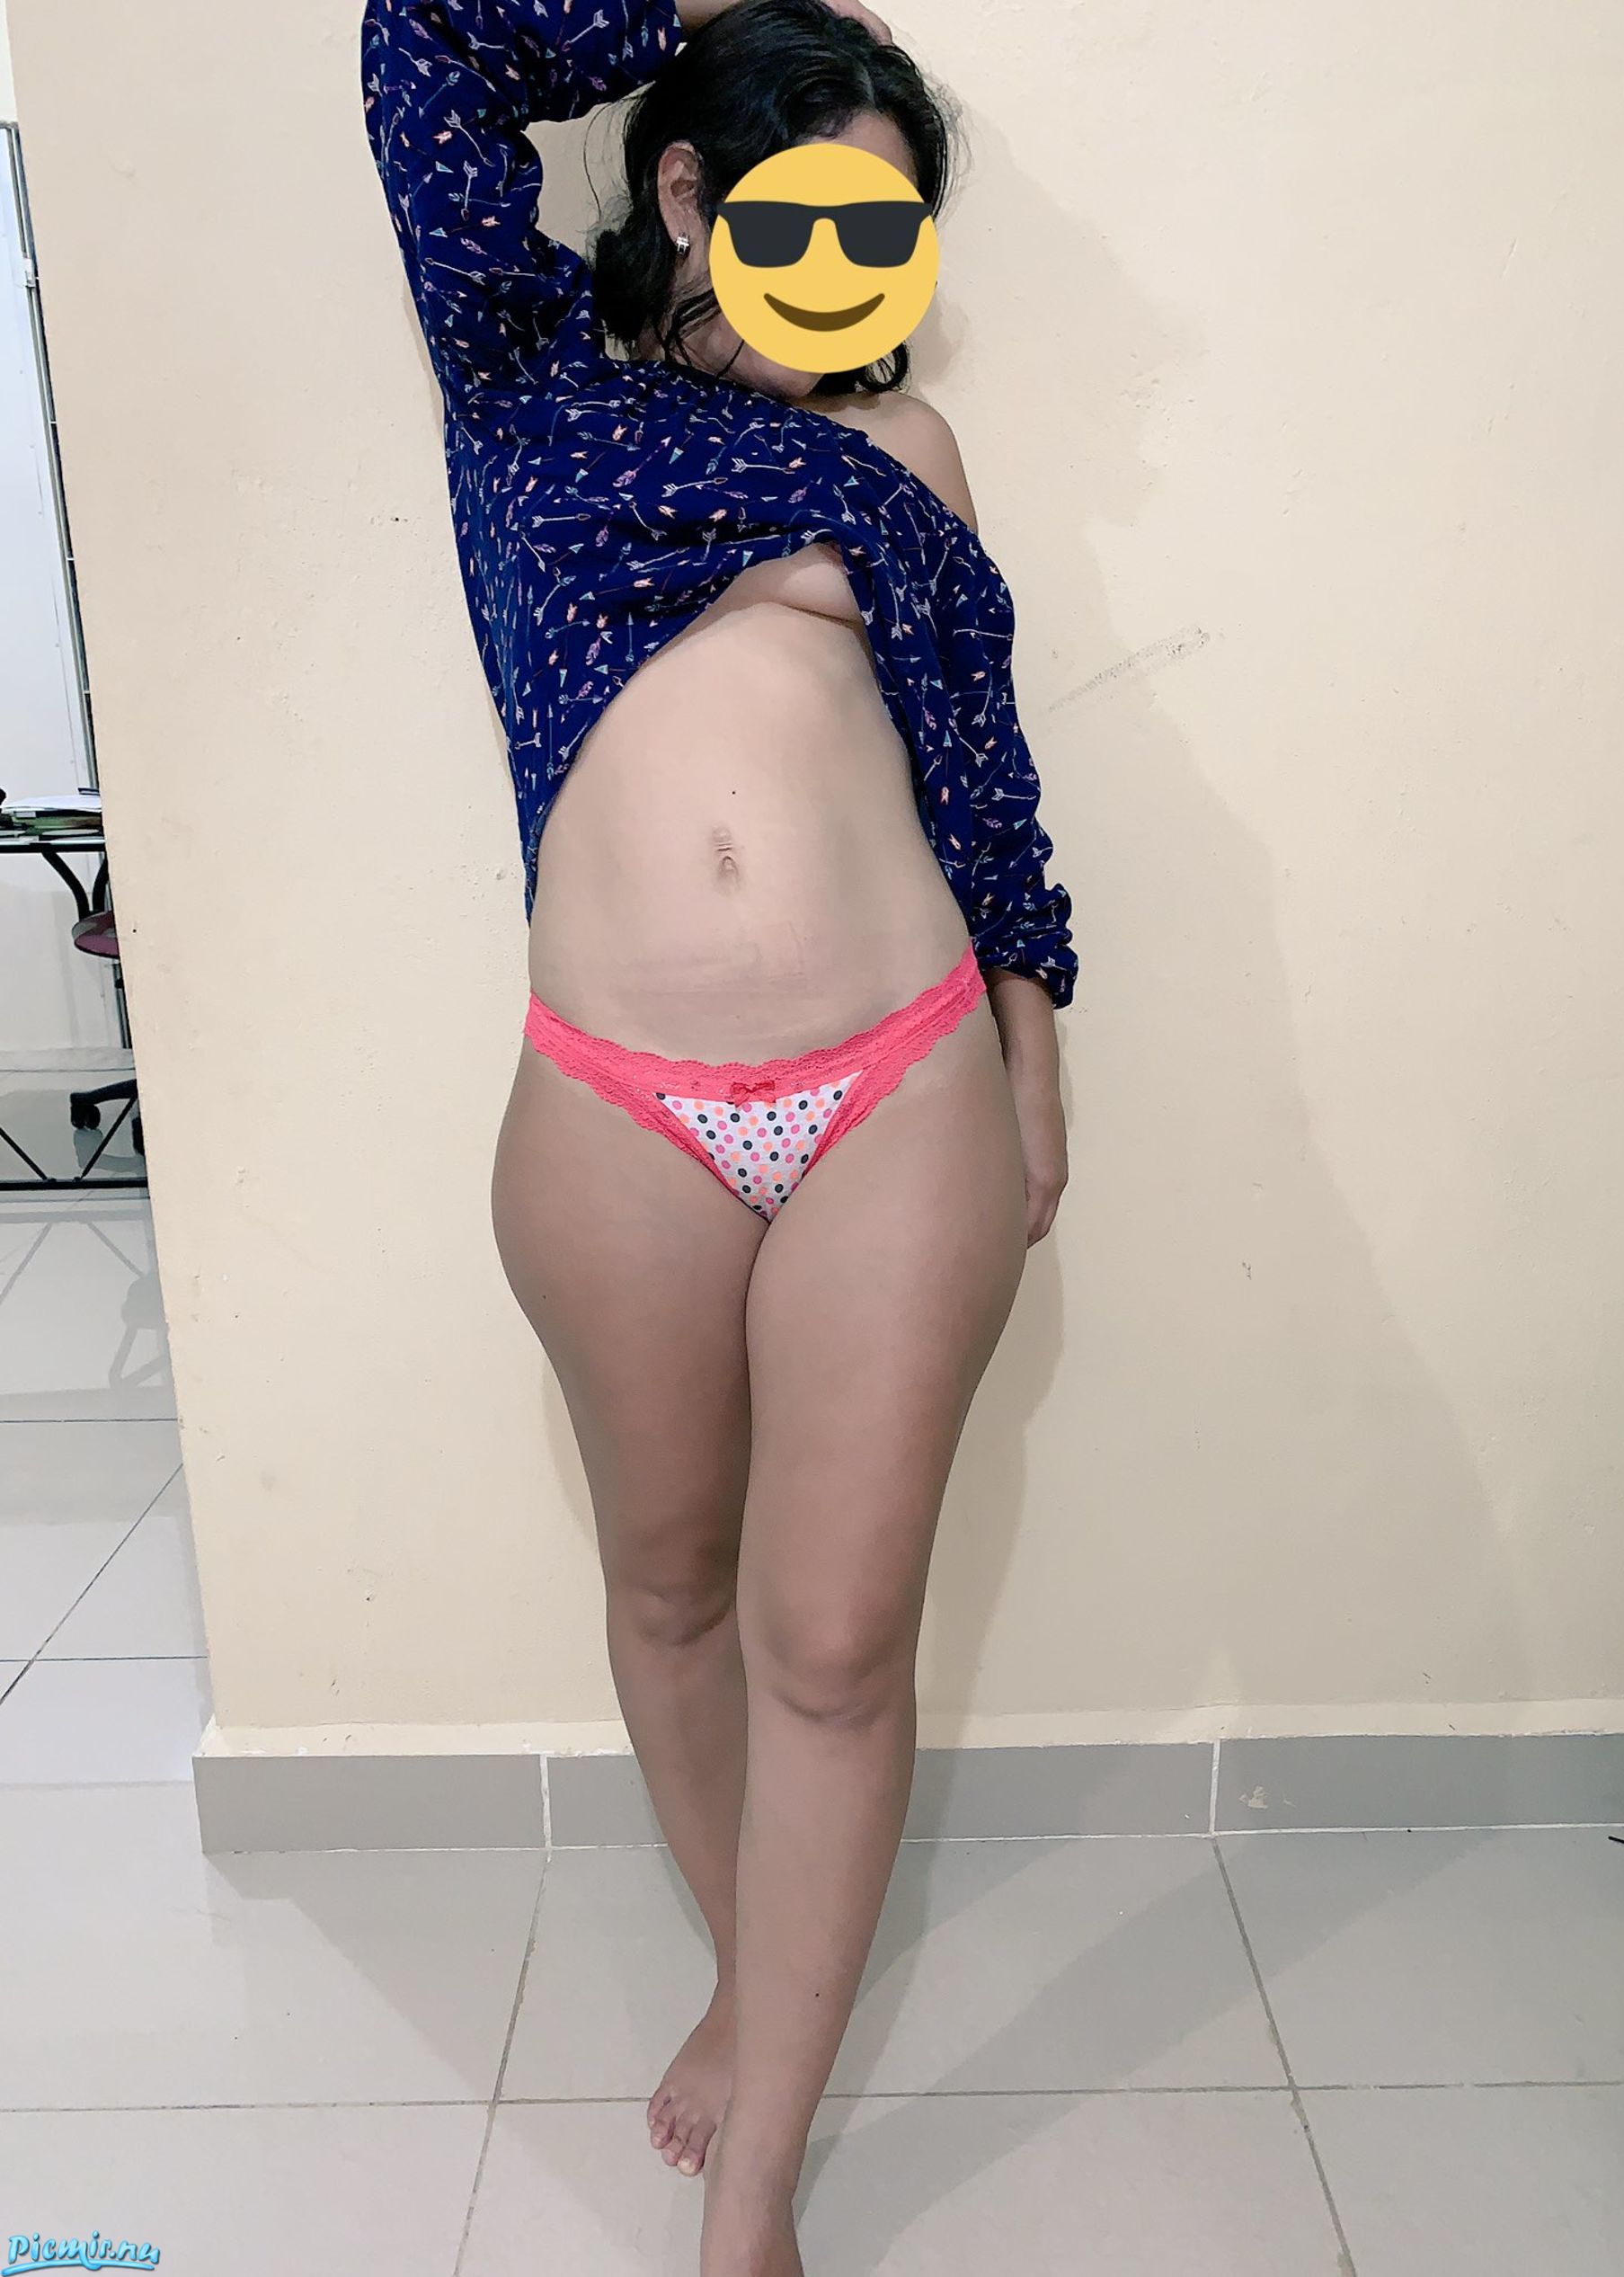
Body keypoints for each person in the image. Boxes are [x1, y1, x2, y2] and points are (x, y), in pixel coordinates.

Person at [361, 0, 1076, 2266]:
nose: (852, 262)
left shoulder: (910, 449)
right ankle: (749, 1985)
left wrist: (1033, 1050)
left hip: (897, 1083)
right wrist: (712, 15)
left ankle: (755, 2170)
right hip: (614, 1103)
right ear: (689, 192)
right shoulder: (521, 384)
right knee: (669, 1590)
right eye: (807, 206)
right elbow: (418, 37)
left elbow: (978, 772)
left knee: (832, 1643)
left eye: (888, 220)